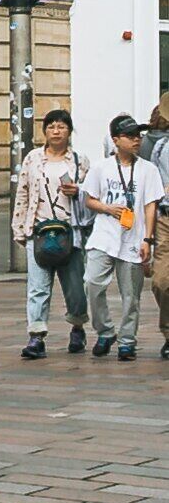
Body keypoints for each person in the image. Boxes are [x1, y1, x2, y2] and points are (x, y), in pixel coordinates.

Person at [81, 112, 161, 360]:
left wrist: (147, 239)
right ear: (116, 140)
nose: (136, 140)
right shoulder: (100, 168)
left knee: (131, 295)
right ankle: (105, 330)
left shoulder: (148, 170)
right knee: (92, 284)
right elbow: (89, 199)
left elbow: (150, 205)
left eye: (138, 135)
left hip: (134, 238)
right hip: (104, 236)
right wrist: (107, 208)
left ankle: (127, 340)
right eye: (129, 136)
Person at [13, 106, 88, 359]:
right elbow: (23, 192)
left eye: (62, 126)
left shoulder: (79, 161)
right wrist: (20, 227)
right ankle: (36, 336)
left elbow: (90, 197)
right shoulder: (33, 158)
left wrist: (78, 192)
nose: (56, 131)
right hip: (40, 231)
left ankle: (77, 327)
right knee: (38, 287)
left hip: (70, 232)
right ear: (44, 131)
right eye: (51, 126)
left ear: (69, 131)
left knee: (74, 286)